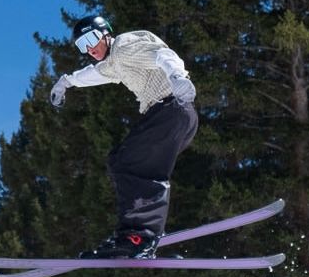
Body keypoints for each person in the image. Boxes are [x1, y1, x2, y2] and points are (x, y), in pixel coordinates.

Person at [49, 15, 198, 258]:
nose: (89, 48)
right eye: (81, 45)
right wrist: (67, 82)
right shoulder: (114, 62)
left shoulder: (124, 46)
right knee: (136, 166)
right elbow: (95, 73)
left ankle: (139, 234)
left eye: (91, 39)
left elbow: (162, 54)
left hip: (172, 107)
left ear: (106, 33)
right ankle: (141, 235)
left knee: (126, 162)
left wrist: (178, 77)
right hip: (177, 116)